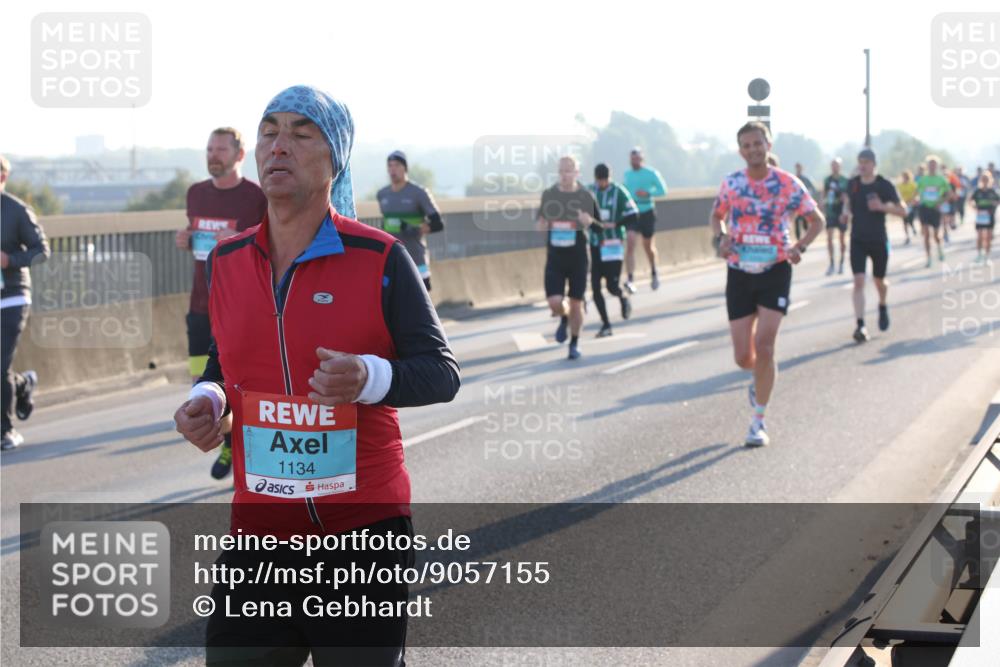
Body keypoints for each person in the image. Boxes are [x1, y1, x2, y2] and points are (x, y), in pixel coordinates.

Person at [172, 85, 460, 666]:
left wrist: (369, 377)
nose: (280, 146)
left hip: (361, 535)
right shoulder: (227, 262)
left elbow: (441, 373)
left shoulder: (378, 258)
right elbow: (226, 362)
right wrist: (208, 398)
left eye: (302, 134)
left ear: (336, 159)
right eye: (269, 131)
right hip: (259, 536)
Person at [710, 122, 824, 448]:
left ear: (768, 144)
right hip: (740, 271)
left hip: (775, 268)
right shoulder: (732, 183)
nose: (753, 150)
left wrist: (799, 247)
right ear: (740, 150)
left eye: (758, 143)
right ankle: (757, 377)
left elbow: (818, 221)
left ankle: (758, 420)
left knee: (767, 346)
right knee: (743, 357)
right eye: (746, 145)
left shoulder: (787, 184)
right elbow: (716, 214)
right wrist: (721, 238)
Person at [174, 128, 268, 479]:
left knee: (239, 382)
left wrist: (242, 240)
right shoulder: (195, 193)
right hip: (201, 303)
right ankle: (228, 440)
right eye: (209, 149)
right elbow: (197, 236)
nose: (213, 155)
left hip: (241, 306)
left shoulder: (256, 197)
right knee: (204, 381)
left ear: (239, 155)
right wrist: (185, 239)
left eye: (221, 149)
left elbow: (274, 248)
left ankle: (237, 450)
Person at [1, 155, 49, 452]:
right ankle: (21, 384)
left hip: (13, 296)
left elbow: (42, 251)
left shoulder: (16, 210)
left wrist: (10, 260)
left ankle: (5, 431)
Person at [841, 149, 907, 343]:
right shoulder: (853, 184)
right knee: (859, 281)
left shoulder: (884, 185)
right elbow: (847, 203)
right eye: (860, 161)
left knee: (879, 280)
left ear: (874, 164)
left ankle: (883, 304)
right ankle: (860, 324)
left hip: (878, 240)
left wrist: (882, 207)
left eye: (866, 162)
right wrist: (845, 213)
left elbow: (904, 210)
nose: (862, 165)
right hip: (857, 239)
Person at [538, 156, 599, 360]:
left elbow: (595, 222)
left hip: (578, 257)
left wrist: (587, 220)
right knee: (555, 302)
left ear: (577, 173)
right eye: (562, 171)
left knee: (575, 303)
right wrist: (543, 223)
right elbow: (540, 223)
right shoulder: (549, 195)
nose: (565, 174)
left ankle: (574, 343)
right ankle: (563, 318)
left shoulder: (585, 195)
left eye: (569, 170)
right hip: (555, 257)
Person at [376, 150, 444, 292]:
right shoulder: (382, 194)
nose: (393, 169)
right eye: (390, 166)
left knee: (420, 308)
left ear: (405, 168)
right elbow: (385, 223)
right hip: (392, 259)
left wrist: (414, 228)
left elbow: (438, 224)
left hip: (417, 259)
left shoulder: (419, 193)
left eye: (397, 165)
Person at [589, 163, 639, 337]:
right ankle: (606, 324)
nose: (602, 183)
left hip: (613, 243)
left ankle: (623, 297)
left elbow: (633, 213)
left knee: (611, 286)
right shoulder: (590, 191)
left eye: (605, 180)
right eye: (600, 180)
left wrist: (616, 224)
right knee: (595, 287)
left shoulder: (619, 191)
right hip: (596, 243)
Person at [622, 147, 667, 292]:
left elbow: (663, 190)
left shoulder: (651, 173)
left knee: (648, 246)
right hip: (631, 213)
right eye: (632, 159)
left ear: (642, 159)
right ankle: (630, 279)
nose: (635, 161)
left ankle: (654, 271)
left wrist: (647, 193)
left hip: (647, 211)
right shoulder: (627, 174)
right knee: (630, 244)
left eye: (637, 159)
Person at [914, 155, 950, 267]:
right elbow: (917, 193)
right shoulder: (923, 179)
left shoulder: (941, 179)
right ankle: (928, 258)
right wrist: (916, 199)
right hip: (924, 208)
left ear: (937, 166)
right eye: (930, 165)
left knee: (935, 235)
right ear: (927, 166)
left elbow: (949, 194)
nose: (932, 167)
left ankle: (939, 248)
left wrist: (940, 202)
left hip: (935, 208)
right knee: (926, 234)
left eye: (934, 165)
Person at [822, 158, 850, 275]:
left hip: (841, 212)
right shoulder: (827, 180)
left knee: (842, 239)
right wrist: (821, 207)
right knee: (829, 238)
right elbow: (823, 195)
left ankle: (842, 263)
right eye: (833, 165)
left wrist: (846, 211)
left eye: (836, 165)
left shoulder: (845, 180)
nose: (834, 167)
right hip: (830, 211)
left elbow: (848, 197)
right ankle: (832, 263)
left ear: (840, 166)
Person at [972, 171, 1000, 263]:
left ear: (990, 180)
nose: (985, 181)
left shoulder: (993, 191)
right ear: (981, 180)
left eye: (987, 179)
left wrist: (994, 203)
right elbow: (971, 201)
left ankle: (987, 256)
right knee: (979, 236)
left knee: (988, 237)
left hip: (990, 216)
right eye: (983, 179)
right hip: (980, 216)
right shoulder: (977, 191)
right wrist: (974, 207)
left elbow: (998, 201)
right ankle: (979, 254)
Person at [793, 162, 818, 241]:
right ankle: (798, 239)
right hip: (796, 203)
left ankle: (807, 237)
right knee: (797, 221)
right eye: (797, 168)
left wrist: (810, 198)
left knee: (805, 221)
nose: (798, 169)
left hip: (805, 204)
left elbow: (813, 189)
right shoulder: (794, 178)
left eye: (799, 168)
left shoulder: (806, 179)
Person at [897, 170, 918, 244]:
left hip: (911, 204)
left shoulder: (912, 184)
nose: (905, 178)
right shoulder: (900, 185)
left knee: (911, 220)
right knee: (905, 221)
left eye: (906, 176)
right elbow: (897, 194)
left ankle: (913, 228)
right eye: (904, 176)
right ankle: (907, 236)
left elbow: (916, 192)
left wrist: (912, 200)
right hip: (903, 205)